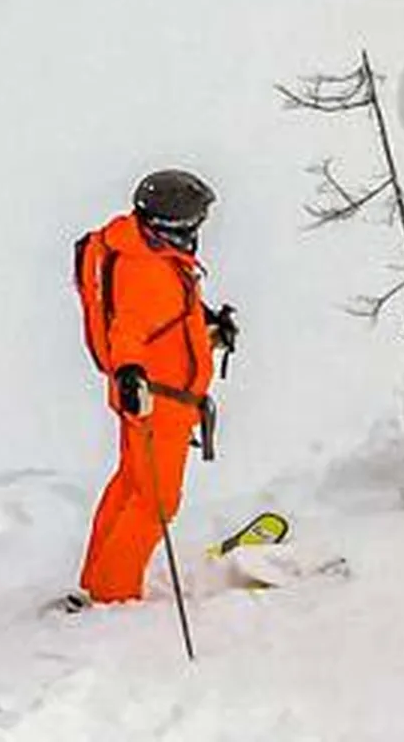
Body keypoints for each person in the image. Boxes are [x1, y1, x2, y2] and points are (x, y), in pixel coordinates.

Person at [71, 168, 238, 607]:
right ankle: (114, 594)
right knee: (156, 503)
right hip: (156, 403)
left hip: (152, 397)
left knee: (131, 485)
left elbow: (166, 326)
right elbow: (129, 329)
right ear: (175, 227)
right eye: (196, 223)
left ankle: (99, 579)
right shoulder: (145, 271)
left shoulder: (146, 255)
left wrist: (210, 327)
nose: (200, 231)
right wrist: (130, 374)